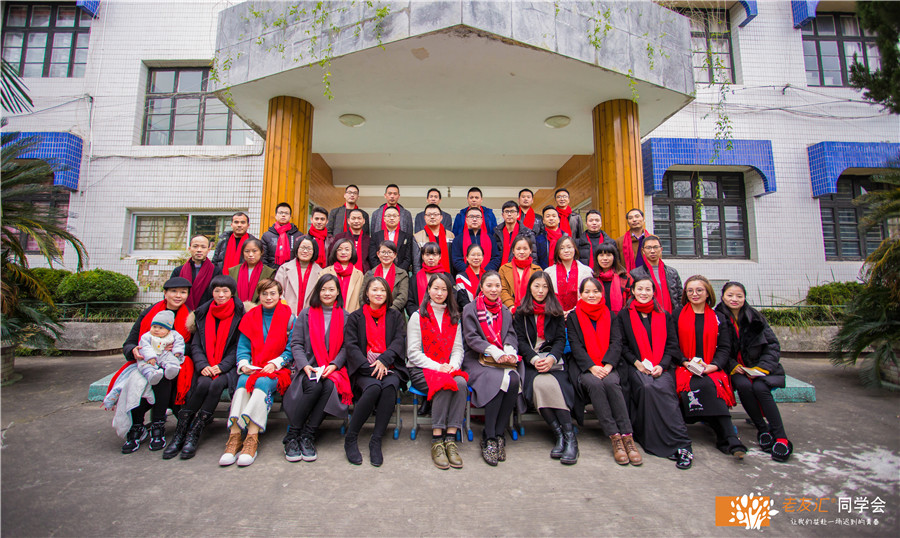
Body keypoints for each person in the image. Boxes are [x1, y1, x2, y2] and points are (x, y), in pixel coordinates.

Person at [104, 277, 194, 454]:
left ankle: (158, 425)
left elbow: (195, 346)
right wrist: (134, 351)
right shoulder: (149, 314)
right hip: (146, 361)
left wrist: (179, 348)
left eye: (183, 292)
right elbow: (129, 343)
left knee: (164, 377)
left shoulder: (190, 317)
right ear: (165, 293)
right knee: (137, 381)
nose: (178, 296)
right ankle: (137, 426)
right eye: (174, 291)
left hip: (175, 363)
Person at [614, 276, 692, 469]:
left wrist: (662, 365)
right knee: (647, 387)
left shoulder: (664, 315)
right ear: (633, 291)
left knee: (664, 388)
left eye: (648, 289)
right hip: (635, 366)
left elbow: (672, 346)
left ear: (653, 292)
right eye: (640, 289)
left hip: (661, 366)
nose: (643, 293)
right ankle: (652, 438)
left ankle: (681, 443)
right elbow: (622, 346)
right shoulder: (623, 316)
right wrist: (637, 363)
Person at [164, 275, 244, 460]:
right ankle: (181, 431)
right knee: (203, 384)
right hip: (206, 364)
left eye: (225, 291)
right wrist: (203, 365)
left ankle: (195, 431)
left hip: (228, 367)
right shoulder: (201, 314)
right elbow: (196, 345)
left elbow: (239, 345)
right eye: (217, 291)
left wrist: (221, 366)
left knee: (215, 385)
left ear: (232, 293)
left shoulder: (240, 313)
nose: (221, 295)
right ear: (212, 292)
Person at [219, 279, 294, 467]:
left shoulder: (289, 317)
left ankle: (252, 437)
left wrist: (276, 363)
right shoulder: (250, 316)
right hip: (254, 367)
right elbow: (243, 347)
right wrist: (244, 364)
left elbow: (291, 349)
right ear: (258, 295)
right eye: (264, 294)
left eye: (273, 293)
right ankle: (235, 435)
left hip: (278, 370)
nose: (269, 297)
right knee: (242, 382)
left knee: (262, 383)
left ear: (280, 295)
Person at [567, 278, 641, 466]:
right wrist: (592, 367)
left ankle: (627, 436)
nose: (591, 295)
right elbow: (576, 346)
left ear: (602, 293)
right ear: (580, 294)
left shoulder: (610, 315)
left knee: (611, 383)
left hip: (609, 365)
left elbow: (616, 343)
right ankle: (615, 437)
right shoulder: (574, 317)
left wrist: (608, 366)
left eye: (595, 291)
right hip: (585, 366)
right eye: (587, 292)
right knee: (594, 384)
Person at [716, 281, 793, 462]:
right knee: (744, 386)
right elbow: (717, 348)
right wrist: (733, 366)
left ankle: (781, 437)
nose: (734, 299)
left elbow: (772, 346)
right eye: (730, 295)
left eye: (739, 296)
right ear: (722, 297)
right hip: (733, 369)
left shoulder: (755, 317)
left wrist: (761, 368)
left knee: (760, 388)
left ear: (744, 297)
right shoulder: (717, 318)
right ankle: (763, 429)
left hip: (759, 367)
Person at [283, 275, 354, 463]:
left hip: (332, 369)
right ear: (317, 291)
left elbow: (346, 347)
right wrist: (305, 365)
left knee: (329, 386)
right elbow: (296, 343)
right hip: (308, 367)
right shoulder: (305, 314)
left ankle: (308, 435)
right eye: (323, 289)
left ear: (338, 292)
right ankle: (293, 436)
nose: (327, 293)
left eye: (331, 289)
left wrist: (334, 365)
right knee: (314, 386)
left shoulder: (345, 317)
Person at [675, 276, 747, 460]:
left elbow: (724, 347)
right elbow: (672, 344)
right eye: (690, 290)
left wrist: (713, 366)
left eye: (699, 290)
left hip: (711, 367)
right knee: (701, 385)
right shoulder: (677, 315)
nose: (695, 294)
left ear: (708, 293)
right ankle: (729, 438)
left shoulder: (718, 317)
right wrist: (685, 362)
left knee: (714, 385)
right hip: (684, 366)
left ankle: (728, 439)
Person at [343, 277, 409, 466]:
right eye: (374, 290)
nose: (378, 293)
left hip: (389, 367)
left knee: (389, 386)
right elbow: (351, 345)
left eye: (382, 290)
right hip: (363, 368)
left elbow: (399, 340)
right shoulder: (355, 317)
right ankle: (351, 437)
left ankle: (376, 440)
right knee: (373, 388)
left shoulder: (395, 316)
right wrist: (368, 366)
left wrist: (384, 360)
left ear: (388, 294)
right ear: (366, 293)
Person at [514, 271, 578, 464]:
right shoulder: (521, 312)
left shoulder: (555, 310)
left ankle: (568, 437)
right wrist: (534, 359)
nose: (540, 291)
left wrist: (551, 358)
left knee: (552, 385)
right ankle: (561, 434)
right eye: (537, 286)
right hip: (531, 362)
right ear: (530, 288)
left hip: (552, 361)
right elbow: (520, 341)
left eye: (544, 287)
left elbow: (560, 339)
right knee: (541, 385)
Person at [406, 273, 467, 470]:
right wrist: (439, 367)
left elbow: (458, 349)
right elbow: (413, 353)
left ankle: (450, 438)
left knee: (461, 383)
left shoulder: (454, 317)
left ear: (449, 292)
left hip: (446, 367)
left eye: (444, 289)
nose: (439, 293)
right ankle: (437, 440)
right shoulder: (418, 316)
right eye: (435, 289)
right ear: (428, 290)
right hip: (421, 369)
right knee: (444, 383)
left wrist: (452, 366)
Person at [461, 271, 521, 466]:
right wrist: (494, 352)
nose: (494, 290)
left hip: (501, 359)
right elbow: (471, 338)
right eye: (489, 285)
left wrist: (509, 351)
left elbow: (510, 334)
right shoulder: (470, 309)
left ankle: (499, 432)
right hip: (476, 359)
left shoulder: (504, 311)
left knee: (514, 380)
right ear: (482, 287)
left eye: (497, 286)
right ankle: (489, 436)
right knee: (497, 379)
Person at [629, 235, 681, 314]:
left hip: (671, 315)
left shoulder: (672, 272)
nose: (652, 251)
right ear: (643, 250)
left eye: (656, 247)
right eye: (649, 248)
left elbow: (680, 296)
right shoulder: (635, 273)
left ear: (661, 249)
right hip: (648, 315)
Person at [274, 236, 323, 314]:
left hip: (310, 315)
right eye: (302, 248)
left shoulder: (320, 272)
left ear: (314, 251)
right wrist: (286, 310)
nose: (305, 251)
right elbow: (277, 292)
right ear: (297, 249)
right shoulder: (284, 269)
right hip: (286, 314)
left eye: (309, 249)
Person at [546, 236, 593, 316]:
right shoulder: (548, 272)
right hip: (555, 314)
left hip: (580, 314)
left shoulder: (586, 271)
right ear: (557, 251)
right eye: (562, 248)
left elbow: (588, 295)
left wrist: (572, 312)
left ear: (575, 249)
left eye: (569, 247)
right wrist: (560, 312)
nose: (566, 251)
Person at [136, 310, 185, 385]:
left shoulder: (173, 335)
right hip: (150, 357)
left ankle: (171, 369)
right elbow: (145, 347)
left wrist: (177, 351)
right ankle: (151, 375)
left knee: (172, 359)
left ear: (168, 330)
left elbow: (179, 342)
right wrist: (150, 357)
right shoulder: (147, 336)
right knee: (144, 365)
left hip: (165, 354)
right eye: (154, 326)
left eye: (161, 328)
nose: (156, 329)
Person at [170, 233, 215, 311]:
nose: (199, 250)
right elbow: (170, 293)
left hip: (206, 313)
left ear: (208, 250)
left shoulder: (215, 271)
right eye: (195, 246)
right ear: (189, 248)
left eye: (203, 247)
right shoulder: (178, 271)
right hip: (182, 312)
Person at [498, 235, 542, 312]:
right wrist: (511, 307)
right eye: (518, 249)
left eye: (525, 249)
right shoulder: (504, 269)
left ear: (530, 250)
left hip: (532, 310)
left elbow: (540, 291)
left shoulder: (537, 270)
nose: (522, 252)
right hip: (509, 310)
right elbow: (503, 290)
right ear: (513, 250)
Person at [489, 200, 537, 271]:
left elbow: (533, 256)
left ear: (518, 214)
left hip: (521, 271)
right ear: (502, 215)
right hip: (500, 271)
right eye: (506, 211)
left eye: (512, 211)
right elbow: (494, 256)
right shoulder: (497, 232)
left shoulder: (527, 233)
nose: (509, 214)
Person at [362, 240, 409, 312]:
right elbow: (362, 295)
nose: (386, 255)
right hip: (371, 313)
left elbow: (402, 297)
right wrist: (371, 310)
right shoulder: (369, 274)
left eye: (389, 252)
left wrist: (389, 311)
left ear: (395, 255)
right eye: (383, 252)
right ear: (378, 254)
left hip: (394, 314)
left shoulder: (402, 274)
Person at [321, 238, 365, 312]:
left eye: (347, 250)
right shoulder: (325, 272)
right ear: (335, 252)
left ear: (352, 252)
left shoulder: (359, 275)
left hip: (351, 315)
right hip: (329, 314)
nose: (343, 252)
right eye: (340, 249)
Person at [408, 242, 451, 317]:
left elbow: (452, 298)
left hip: (443, 317)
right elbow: (410, 302)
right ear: (422, 256)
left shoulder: (448, 277)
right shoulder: (415, 278)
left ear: (440, 256)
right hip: (420, 318)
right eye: (427, 254)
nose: (431, 258)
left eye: (434, 254)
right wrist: (419, 316)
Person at [227, 238, 275, 304]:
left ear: (261, 252)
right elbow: (231, 293)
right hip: (237, 308)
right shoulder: (233, 271)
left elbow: (268, 294)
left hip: (259, 308)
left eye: (254, 251)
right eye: (247, 251)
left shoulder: (269, 272)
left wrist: (254, 308)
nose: (250, 255)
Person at [369, 205, 413, 272]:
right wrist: (382, 271)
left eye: (394, 216)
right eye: (388, 216)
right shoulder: (376, 236)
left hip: (400, 273)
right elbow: (372, 257)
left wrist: (398, 272)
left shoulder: (406, 236)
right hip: (380, 273)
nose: (392, 218)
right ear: (384, 218)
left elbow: (408, 258)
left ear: (399, 218)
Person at [413, 203, 454, 274]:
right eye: (429, 215)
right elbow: (416, 264)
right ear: (424, 218)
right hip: (426, 276)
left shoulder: (450, 235)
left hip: (447, 275)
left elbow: (453, 260)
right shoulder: (417, 237)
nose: (432, 217)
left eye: (435, 214)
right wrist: (419, 278)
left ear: (441, 217)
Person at [593, 242, 633, 315]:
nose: (605, 258)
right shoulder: (592, 278)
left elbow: (632, 298)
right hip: (597, 317)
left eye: (608, 255)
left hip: (621, 317)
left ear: (614, 257)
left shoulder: (625, 277)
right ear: (596, 258)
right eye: (601, 255)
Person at [451, 206, 494, 273]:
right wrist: (470, 272)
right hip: (465, 275)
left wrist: (484, 272)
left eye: (477, 217)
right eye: (471, 217)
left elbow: (495, 258)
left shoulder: (491, 238)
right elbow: (456, 260)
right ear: (466, 220)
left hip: (487, 275)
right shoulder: (458, 239)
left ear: (482, 220)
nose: (474, 219)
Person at [328, 208, 371, 273]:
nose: (356, 221)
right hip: (341, 272)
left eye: (359, 218)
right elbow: (332, 256)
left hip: (364, 274)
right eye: (353, 218)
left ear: (364, 221)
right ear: (348, 221)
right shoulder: (339, 237)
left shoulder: (369, 240)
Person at [261, 202, 302, 269]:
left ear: (290, 216)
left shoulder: (298, 235)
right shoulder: (267, 236)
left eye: (286, 213)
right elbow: (264, 258)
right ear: (276, 215)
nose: (283, 215)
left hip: (292, 270)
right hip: (272, 271)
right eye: (281, 213)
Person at [616, 208, 650, 273]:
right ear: (628, 222)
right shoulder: (619, 241)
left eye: (637, 216)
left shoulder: (653, 239)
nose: (634, 220)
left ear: (643, 219)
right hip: (628, 277)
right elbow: (617, 264)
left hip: (650, 276)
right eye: (630, 218)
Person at [455, 243, 485, 310]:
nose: (476, 258)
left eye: (479, 255)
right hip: (468, 312)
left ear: (483, 258)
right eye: (473, 255)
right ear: (467, 258)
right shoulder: (460, 277)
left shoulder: (487, 276)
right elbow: (462, 300)